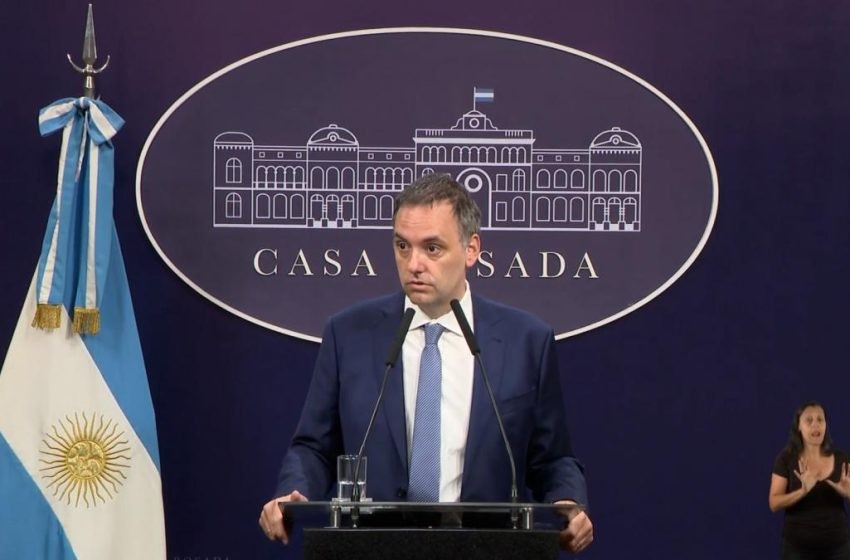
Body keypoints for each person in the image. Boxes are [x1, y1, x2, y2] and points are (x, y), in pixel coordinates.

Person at [258, 174, 593, 553]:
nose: (413, 264)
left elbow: (551, 458)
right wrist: (293, 492)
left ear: (471, 249)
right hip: (373, 549)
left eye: (432, 248)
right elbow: (314, 447)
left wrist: (568, 501)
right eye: (403, 246)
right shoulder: (348, 334)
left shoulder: (525, 341)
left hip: (487, 549)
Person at [770, 401, 850, 559]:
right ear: (799, 426)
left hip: (838, 549)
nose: (815, 425)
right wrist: (803, 491)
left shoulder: (842, 458)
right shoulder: (786, 459)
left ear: (825, 425)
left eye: (820, 419)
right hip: (797, 549)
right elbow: (774, 503)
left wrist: (848, 493)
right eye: (809, 420)